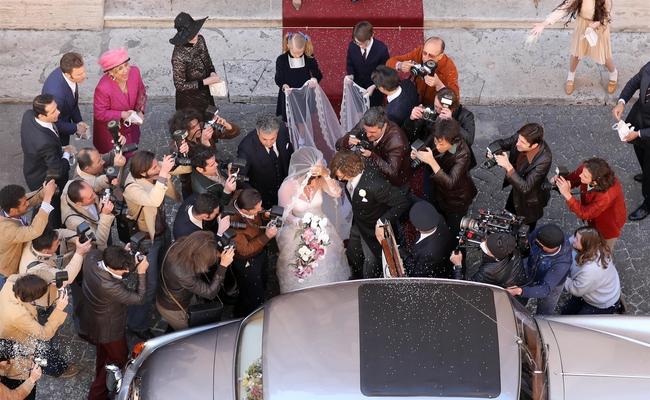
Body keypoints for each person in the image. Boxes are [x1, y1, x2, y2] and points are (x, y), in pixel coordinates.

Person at [76, 245, 148, 400]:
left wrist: (129, 261)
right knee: (118, 359)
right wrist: (141, 273)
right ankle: (97, 394)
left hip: (92, 318)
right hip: (109, 329)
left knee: (103, 352)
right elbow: (139, 298)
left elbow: (116, 272)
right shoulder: (110, 285)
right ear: (113, 267)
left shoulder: (92, 257)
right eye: (124, 270)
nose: (127, 271)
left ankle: (100, 370)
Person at [276, 147, 350, 293]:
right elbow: (283, 214)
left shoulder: (320, 180)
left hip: (322, 227)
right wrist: (299, 222)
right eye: (311, 178)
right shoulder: (287, 187)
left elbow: (336, 193)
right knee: (301, 263)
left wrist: (325, 176)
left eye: (316, 178)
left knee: (326, 259)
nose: (314, 183)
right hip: (297, 230)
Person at [123, 151, 178, 338]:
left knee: (163, 272)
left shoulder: (151, 170)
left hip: (162, 231)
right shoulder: (131, 187)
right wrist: (163, 173)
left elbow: (178, 168)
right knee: (148, 283)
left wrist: (180, 155)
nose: (158, 167)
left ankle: (158, 306)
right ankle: (137, 324)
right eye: (154, 167)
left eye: (157, 164)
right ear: (143, 172)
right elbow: (154, 200)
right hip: (148, 240)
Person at [330, 151, 409, 279]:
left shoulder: (375, 185)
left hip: (373, 228)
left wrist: (382, 221)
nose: (340, 179)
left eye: (342, 176)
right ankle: (356, 274)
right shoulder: (350, 173)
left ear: (351, 170)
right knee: (352, 252)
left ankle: (369, 283)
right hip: (359, 222)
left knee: (371, 262)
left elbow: (402, 202)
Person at [530, 0, 617, 95]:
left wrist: (597, 23)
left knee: (604, 56)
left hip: (599, 27)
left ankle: (614, 73)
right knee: (576, 53)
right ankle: (570, 77)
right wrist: (544, 24)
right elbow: (563, 9)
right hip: (583, 25)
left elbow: (607, 15)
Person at [0, 274, 73, 384]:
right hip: (19, 341)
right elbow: (45, 335)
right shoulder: (18, 315)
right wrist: (59, 309)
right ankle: (58, 370)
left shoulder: (10, 283)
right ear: (32, 298)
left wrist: (49, 279)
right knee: (43, 358)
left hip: (6, 328)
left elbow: (17, 276)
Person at [157, 231, 235, 331]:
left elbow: (204, 249)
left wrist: (218, 254)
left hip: (180, 294)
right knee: (189, 333)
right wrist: (223, 265)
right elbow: (210, 293)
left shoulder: (180, 245)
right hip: (174, 309)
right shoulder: (184, 274)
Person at [412, 118, 477, 237]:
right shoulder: (438, 136)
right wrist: (417, 154)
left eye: (441, 144)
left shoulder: (463, 153)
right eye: (436, 141)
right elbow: (427, 146)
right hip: (439, 194)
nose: (437, 146)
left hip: (456, 200)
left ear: (453, 141)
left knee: (455, 233)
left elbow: (450, 182)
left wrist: (432, 161)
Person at [20, 94, 74, 228]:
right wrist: (66, 154)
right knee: (51, 211)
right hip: (44, 178)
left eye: (56, 108)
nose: (59, 112)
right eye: (53, 111)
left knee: (41, 205)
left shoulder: (28, 115)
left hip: (32, 169)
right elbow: (58, 170)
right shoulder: (45, 142)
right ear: (41, 116)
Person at [490, 123, 552, 231]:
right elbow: (502, 143)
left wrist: (508, 166)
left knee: (525, 230)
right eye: (518, 139)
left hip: (530, 200)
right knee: (508, 215)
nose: (517, 143)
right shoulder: (521, 137)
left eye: (522, 142)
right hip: (516, 187)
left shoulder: (544, 159)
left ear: (534, 145)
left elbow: (526, 187)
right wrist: (492, 151)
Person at [554, 158, 626, 249]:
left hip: (607, 225)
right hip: (594, 218)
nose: (580, 175)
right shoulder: (587, 170)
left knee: (603, 250)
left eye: (584, 176)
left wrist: (567, 195)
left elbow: (585, 213)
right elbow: (573, 179)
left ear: (595, 182)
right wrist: (558, 182)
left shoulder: (606, 196)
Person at [229, 189, 278, 317]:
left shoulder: (242, 196)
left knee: (263, 277)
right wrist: (266, 236)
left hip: (260, 251)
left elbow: (257, 212)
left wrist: (263, 214)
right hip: (247, 261)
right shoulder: (234, 225)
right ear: (245, 210)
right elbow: (245, 250)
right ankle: (249, 315)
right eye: (257, 208)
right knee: (252, 291)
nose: (260, 208)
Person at [612, 61, 650, 221]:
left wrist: (640, 133)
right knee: (640, 153)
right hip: (639, 120)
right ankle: (645, 172)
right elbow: (635, 81)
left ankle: (648, 203)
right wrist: (622, 101)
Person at [0, 181, 57, 289]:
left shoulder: (8, 206)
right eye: (23, 203)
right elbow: (35, 230)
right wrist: (47, 198)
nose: (27, 203)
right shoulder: (6, 230)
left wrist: (44, 192)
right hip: (6, 274)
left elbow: (30, 199)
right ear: (13, 210)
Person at [506, 224, 573, 315]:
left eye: (538, 244)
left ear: (550, 248)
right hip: (531, 271)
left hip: (551, 285)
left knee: (545, 310)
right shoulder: (543, 232)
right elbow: (530, 240)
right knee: (521, 298)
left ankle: (541, 322)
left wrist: (519, 291)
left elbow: (545, 289)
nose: (535, 244)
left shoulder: (562, 264)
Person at [336, 107, 411, 187]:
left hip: (392, 185)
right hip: (368, 172)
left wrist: (371, 155)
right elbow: (338, 146)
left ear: (384, 126)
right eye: (365, 131)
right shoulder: (365, 124)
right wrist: (346, 141)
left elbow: (392, 172)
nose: (368, 135)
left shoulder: (396, 142)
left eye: (372, 132)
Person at [93, 48, 147, 155]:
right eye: (119, 69)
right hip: (112, 130)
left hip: (131, 125)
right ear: (110, 72)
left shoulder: (135, 72)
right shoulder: (103, 88)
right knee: (116, 157)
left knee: (131, 148)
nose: (126, 70)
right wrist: (123, 114)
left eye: (126, 65)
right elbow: (100, 113)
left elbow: (141, 92)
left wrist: (140, 111)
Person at [237, 114, 294, 208]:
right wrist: (255, 200)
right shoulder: (246, 148)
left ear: (277, 132)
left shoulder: (284, 130)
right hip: (264, 196)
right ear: (258, 132)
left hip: (287, 189)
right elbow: (240, 178)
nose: (268, 143)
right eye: (264, 139)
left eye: (272, 139)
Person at [562, 227, 622, 315]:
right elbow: (571, 240)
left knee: (577, 324)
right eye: (575, 236)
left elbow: (576, 290)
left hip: (601, 303)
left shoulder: (590, 270)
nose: (573, 240)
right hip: (593, 291)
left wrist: (562, 278)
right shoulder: (596, 247)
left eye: (577, 239)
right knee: (566, 313)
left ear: (586, 244)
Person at [386, 36, 459, 106]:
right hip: (416, 97)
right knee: (395, 112)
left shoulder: (449, 68)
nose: (426, 58)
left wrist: (439, 85)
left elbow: (454, 101)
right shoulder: (419, 52)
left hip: (435, 105)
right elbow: (389, 62)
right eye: (424, 53)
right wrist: (400, 65)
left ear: (440, 56)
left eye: (431, 56)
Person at [170, 12, 220, 112]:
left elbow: (207, 60)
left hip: (206, 95)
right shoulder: (178, 56)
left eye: (195, 31)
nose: (195, 35)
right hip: (189, 101)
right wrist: (205, 82)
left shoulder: (200, 40)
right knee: (194, 126)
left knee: (211, 122)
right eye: (191, 34)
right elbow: (180, 86)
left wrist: (212, 72)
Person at [41, 52, 88, 145]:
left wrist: (79, 121)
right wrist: (76, 128)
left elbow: (72, 102)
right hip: (57, 132)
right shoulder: (57, 95)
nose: (84, 76)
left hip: (64, 114)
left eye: (83, 71)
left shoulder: (67, 71)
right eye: (79, 74)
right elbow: (54, 122)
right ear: (67, 75)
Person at [275, 32, 323, 121]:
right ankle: (289, 129)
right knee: (289, 117)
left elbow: (318, 74)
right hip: (288, 94)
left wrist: (314, 79)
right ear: (288, 46)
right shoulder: (281, 60)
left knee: (303, 118)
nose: (298, 55)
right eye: (295, 53)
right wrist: (283, 85)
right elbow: (278, 77)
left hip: (304, 94)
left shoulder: (309, 58)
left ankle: (302, 130)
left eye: (300, 53)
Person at [404, 87, 475, 147]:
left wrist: (452, 122)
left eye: (441, 109)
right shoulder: (430, 109)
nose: (437, 110)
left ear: (453, 109)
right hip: (429, 147)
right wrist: (411, 119)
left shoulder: (465, 116)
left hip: (451, 150)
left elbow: (469, 141)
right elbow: (409, 133)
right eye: (436, 106)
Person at [398, 202, 454, 278]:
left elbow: (416, 273)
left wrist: (405, 255)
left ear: (417, 228)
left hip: (435, 272)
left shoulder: (428, 253)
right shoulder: (439, 218)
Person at [451, 232, 528, 288]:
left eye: (487, 248)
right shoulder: (511, 248)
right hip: (519, 278)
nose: (483, 243)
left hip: (508, 293)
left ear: (494, 255)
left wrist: (458, 265)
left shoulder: (488, 271)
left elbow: (465, 287)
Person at [60, 180, 115, 251]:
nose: (95, 196)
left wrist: (106, 180)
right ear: (79, 204)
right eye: (91, 197)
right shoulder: (74, 222)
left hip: (100, 224)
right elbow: (99, 241)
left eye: (93, 192)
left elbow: (94, 184)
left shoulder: (72, 185)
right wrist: (105, 215)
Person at [346, 20, 390, 107]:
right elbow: (349, 62)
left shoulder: (382, 50)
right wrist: (351, 74)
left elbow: (383, 72)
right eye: (357, 42)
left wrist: (374, 86)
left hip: (374, 90)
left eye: (362, 44)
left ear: (371, 36)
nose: (359, 46)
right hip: (358, 87)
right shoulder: (352, 45)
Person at [18, 227, 91, 278]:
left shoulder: (36, 238)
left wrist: (79, 239)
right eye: (57, 243)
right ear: (45, 251)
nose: (59, 243)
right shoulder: (37, 270)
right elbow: (67, 276)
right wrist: (79, 253)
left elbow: (61, 233)